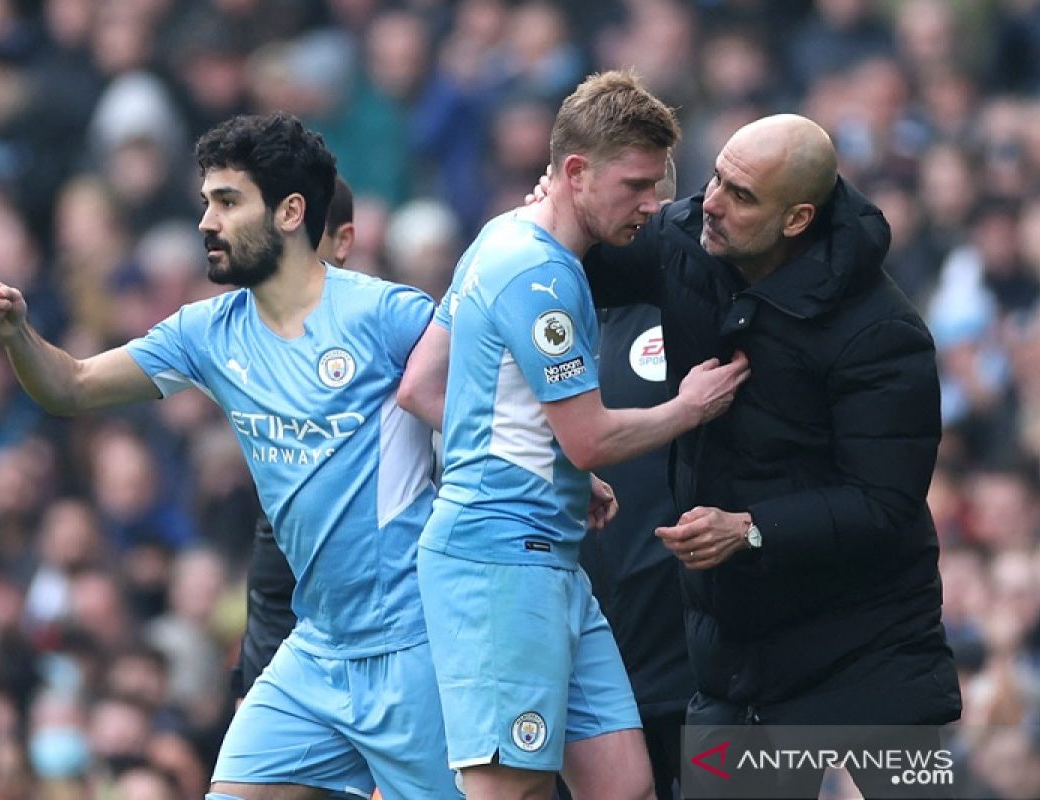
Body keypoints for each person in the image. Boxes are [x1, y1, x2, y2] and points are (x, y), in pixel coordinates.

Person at [0, 112, 457, 800]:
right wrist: (18, 333)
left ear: (290, 212)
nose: (206, 220)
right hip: (315, 648)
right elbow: (70, 387)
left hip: (413, 645)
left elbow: (496, 403)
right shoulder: (206, 332)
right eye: (206, 201)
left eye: (227, 201)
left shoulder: (389, 314)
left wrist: (560, 478)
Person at [581, 114, 961, 797]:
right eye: (717, 177)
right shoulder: (686, 239)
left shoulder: (884, 334)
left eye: (743, 194)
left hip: (872, 657)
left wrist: (749, 528)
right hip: (736, 664)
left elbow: (885, 503)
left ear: (797, 219)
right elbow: (575, 264)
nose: (714, 203)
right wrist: (558, 211)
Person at [398, 71, 750, 800]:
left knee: (625, 789)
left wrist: (549, 469)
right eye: (636, 185)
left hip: (550, 559)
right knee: (510, 789)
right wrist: (689, 406)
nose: (652, 205)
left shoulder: (500, 234)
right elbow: (589, 437)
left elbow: (424, 386)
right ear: (576, 172)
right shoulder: (541, 277)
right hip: (498, 564)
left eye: (657, 185)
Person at [575, 155, 691, 800]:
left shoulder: (695, 312)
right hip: (587, 645)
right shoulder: (552, 322)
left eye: (648, 195)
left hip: (694, 646)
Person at [228, 174, 355, 702]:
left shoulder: (395, 329)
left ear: (341, 242)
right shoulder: (235, 328)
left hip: (376, 621)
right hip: (277, 599)